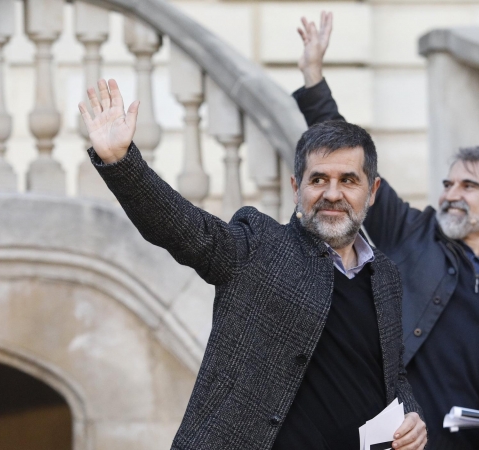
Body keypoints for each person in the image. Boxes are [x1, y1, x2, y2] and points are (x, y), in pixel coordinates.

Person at [77, 78, 427, 450]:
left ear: (371, 192)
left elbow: (392, 374)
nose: (332, 194)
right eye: (318, 179)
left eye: (348, 180)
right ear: (297, 188)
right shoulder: (260, 245)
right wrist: (121, 162)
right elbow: (185, 229)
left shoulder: (385, 276)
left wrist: (411, 414)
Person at [293, 13, 479, 450]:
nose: (451, 194)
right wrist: (313, 77)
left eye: (469, 186)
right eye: (448, 183)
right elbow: (344, 156)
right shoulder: (412, 231)